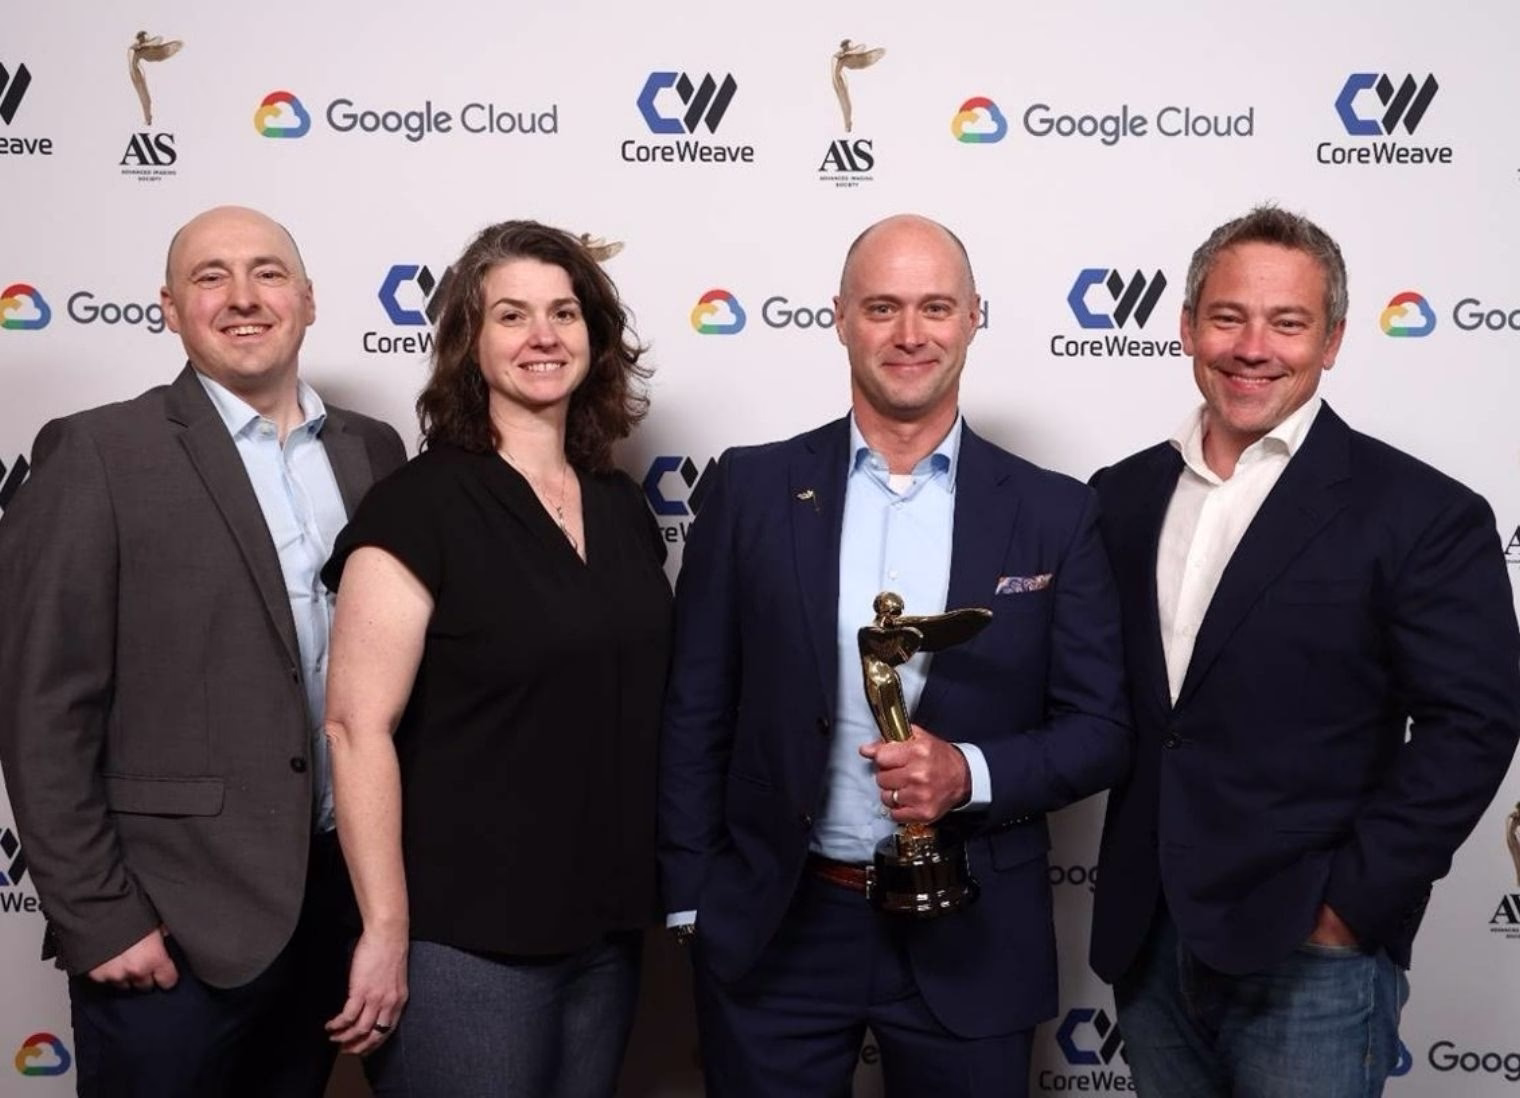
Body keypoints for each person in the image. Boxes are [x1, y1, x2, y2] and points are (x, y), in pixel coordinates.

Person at [659, 213, 1131, 1097]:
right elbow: (696, 704)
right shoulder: (751, 488)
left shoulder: (1055, 513)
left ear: (973, 318)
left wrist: (970, 772)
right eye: (882, 307)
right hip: (778, 926)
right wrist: (693, 900)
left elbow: (1101, 728)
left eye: (935, 307)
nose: (910, 335)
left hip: (974, 928)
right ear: (838, 317)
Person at [1089, 204, 1520, 1097]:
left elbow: (1473, 724)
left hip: (1310, 953)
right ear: (1186, 327)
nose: (1254, 347)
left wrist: (1349, 909)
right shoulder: (1120, 496)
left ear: (1331, 342)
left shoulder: (1420, 511)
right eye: (1228, 316)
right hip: (1147, 940)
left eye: (1288, 323)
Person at [0, 205, 406, 1097]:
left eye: (267, 273)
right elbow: (41, 709)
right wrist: (101, 917)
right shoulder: (99, 453)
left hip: (334, 904)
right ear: (169, 309)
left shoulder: (374, 452)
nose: (242, 298)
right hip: (174, 924)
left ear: (307, 300)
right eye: (209, 277)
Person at [320, 220, 670, 1096]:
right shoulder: (420, 505)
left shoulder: (620, 506)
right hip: (463, 941)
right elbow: (356, 726)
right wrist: (387, 929)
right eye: (511, 315)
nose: (543, 336)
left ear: (594, 335)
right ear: (469, 343)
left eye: (563, 312)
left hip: (606, 929)